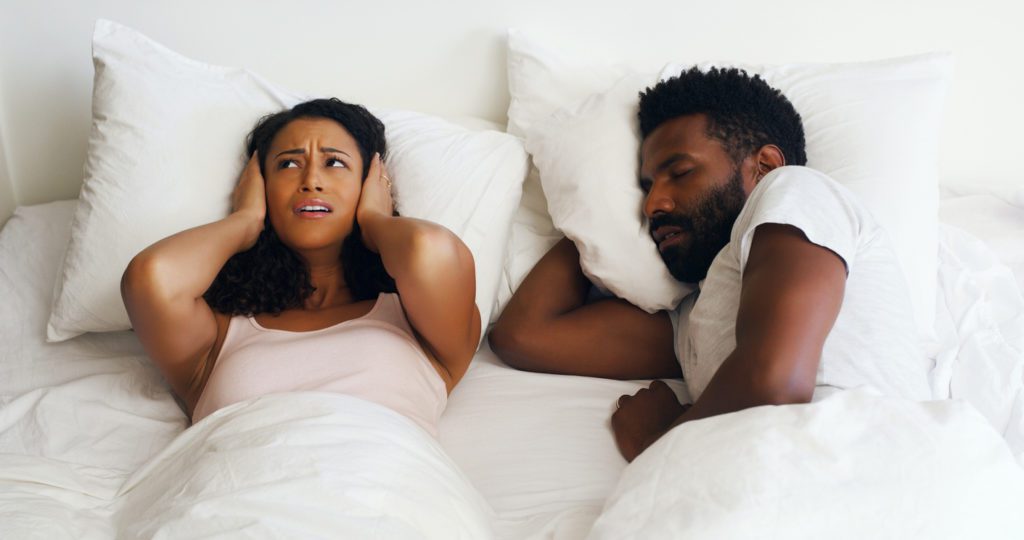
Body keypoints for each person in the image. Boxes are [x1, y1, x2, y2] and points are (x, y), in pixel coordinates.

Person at [490, 67, 929, 461]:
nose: (653, 205)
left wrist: (654, 442)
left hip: (869, 469)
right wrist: (594, 213)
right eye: (646, 187)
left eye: (680, 173)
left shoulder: (797, 191)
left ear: (764, 166)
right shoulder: (693, 317)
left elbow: (776, 383)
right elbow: (525, 336)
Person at [121, 98, 480, 437]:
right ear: (260, 187)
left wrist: (374, 219)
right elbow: (151, 278)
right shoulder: (219, 332)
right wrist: (245, 220)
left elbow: (431, 251)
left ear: (369, 183)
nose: (311, 181)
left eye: (334, 163)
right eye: (288, 164)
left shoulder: (420, 319)